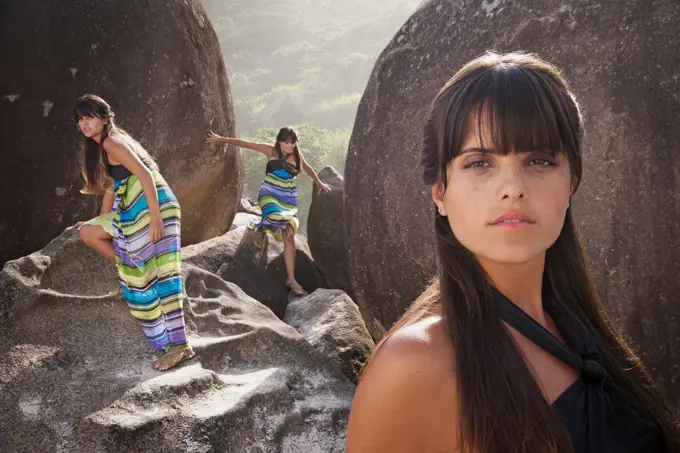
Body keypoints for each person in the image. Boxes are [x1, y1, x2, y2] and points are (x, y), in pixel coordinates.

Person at [345, 52, 680, 452]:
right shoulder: (414, 365)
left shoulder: (577, 326)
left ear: (571, 180)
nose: (513, 187)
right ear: (440, 192)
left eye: (538, 160)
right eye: (479, 163)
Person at [71, 94, 195, 371]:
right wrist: (97, 221)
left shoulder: (113, 141)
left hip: (155, 208)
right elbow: (114, 188)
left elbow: (146, 174)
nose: (84, 123)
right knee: (88, 234)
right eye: (80, 119)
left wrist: (155, 218)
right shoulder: (106, 144)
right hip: (133, 209)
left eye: (89, 117)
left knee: (164, 276)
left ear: (104, 118)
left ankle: (180, 346)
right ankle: (132, 267)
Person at [206, 127, 331, 296]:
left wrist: (319, 183)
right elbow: (244, 143)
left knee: (288, 233)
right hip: (270, 193)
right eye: (286, 142)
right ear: (279, 141)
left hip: (287, 197)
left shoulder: (297, 156)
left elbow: (307, 168)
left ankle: (291, 279)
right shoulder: (270, 150)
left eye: (292, 143)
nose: (289, 146)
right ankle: (266, 224)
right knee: (273, 217)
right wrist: (221, 139)